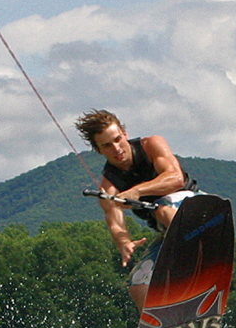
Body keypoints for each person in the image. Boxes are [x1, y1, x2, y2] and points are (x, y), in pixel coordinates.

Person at [75, 109, 199, 312]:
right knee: (138, 284)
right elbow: (115, 222)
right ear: (99, 150)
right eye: (107, 145)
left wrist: (137, 191)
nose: (116, 148)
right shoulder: (110, 186)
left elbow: (175, 178)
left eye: (117, 139)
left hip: (196, 209)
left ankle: (197, 254)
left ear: (124, 133)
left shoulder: (151, 145)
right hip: (171, 233)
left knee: (162, 210)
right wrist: (124, 242)